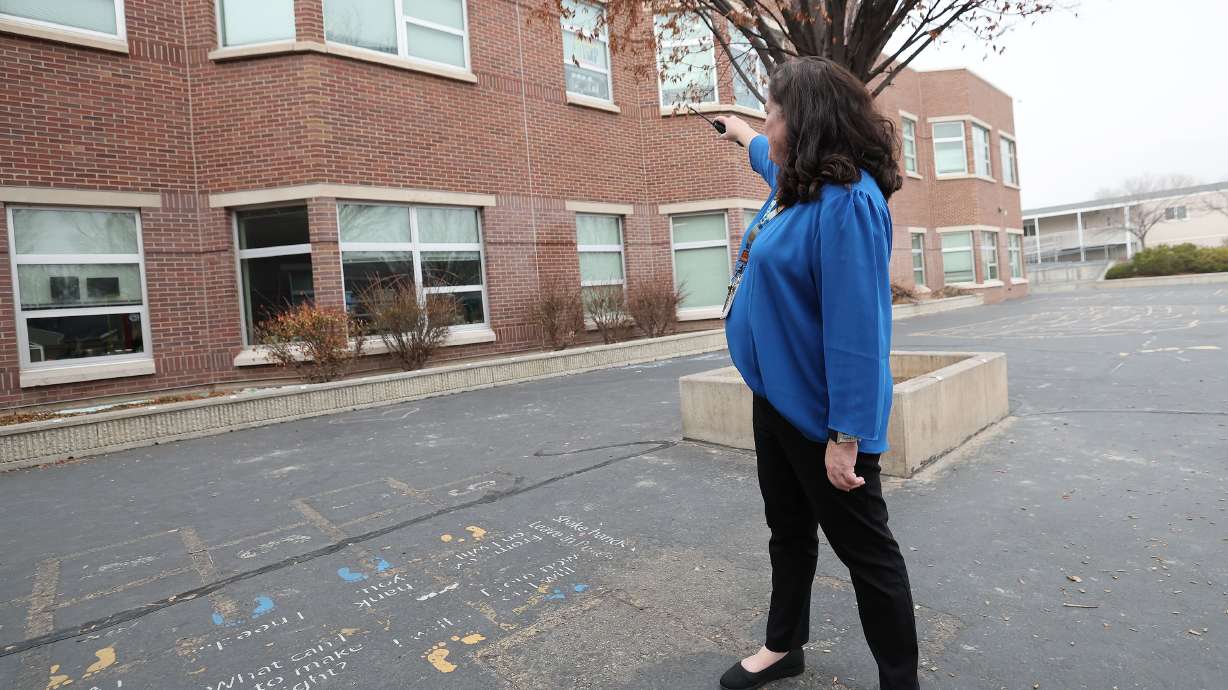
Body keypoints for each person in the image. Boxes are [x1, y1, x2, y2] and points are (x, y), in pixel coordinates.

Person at [713, 56, 920, 690]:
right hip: (775, 396)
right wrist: (738, 129)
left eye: (773, 112)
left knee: (866, 552)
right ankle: (784, 646)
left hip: (824, 414)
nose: (767, 123)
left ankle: (900, 679)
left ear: (804, 121)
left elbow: (859, 331)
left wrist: (847, 435)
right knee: (789, 530)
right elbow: (763, 155)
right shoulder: (796, 181)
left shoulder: (848, 202)